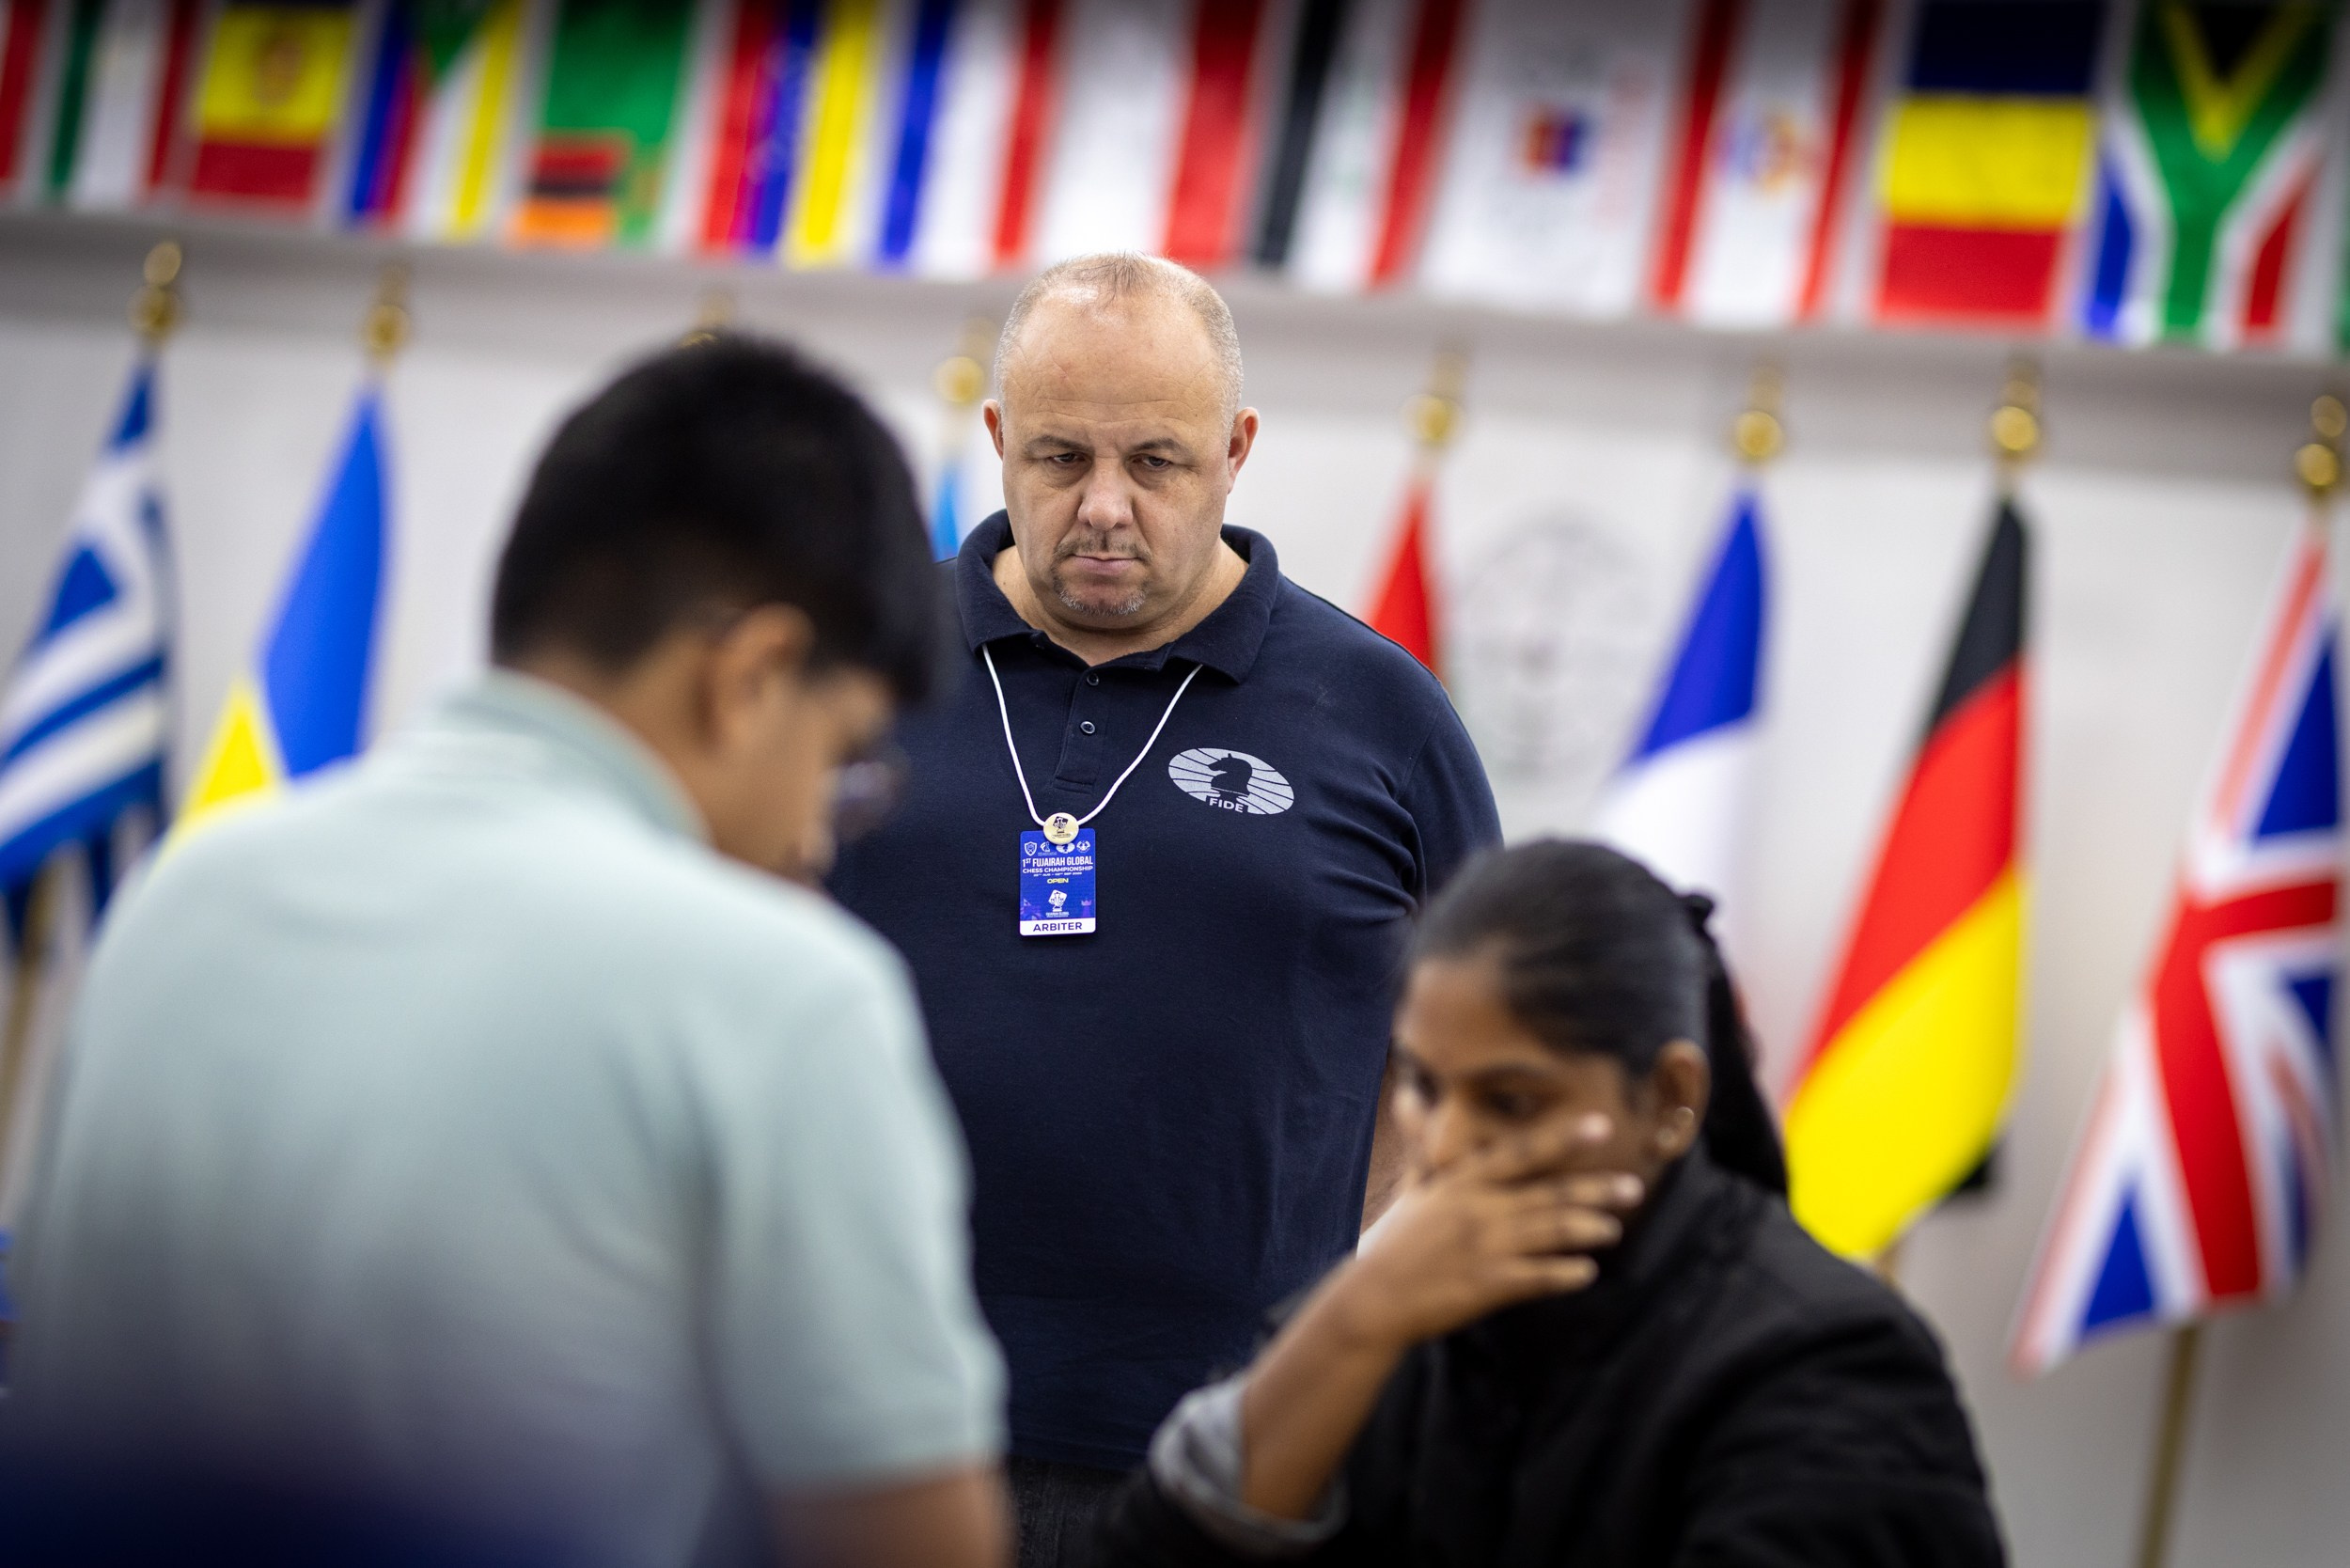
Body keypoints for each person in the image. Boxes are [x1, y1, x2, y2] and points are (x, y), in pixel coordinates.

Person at [1, 338, 1010, 1568]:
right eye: (845, 757)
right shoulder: (779, 994)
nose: (816, 834)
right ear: (750, 678)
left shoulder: (184, 892)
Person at [828, 254, 1500, 1564]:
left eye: (1158, 463)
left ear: (1237, 451)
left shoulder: (1382, 715)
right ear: (996, 438)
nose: (1103, 510)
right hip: (861, 1427)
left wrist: (1345, 1267)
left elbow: (1482, 1051)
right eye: (1061, 458)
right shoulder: (858, 662)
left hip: (1236, 1458)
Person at [1094, 839, 2007, 1567]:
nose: (1444, 1146)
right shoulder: (1404, 1306)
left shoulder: (1823, 1356)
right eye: (1421, 1083)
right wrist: (1348, 1325)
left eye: (1512, 1102)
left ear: (1668, 1099)